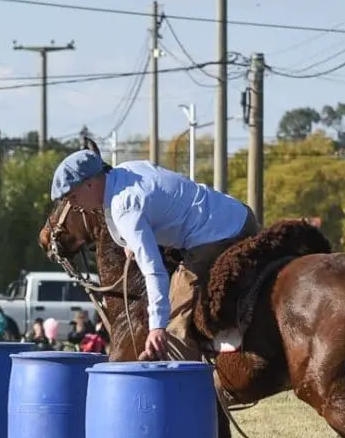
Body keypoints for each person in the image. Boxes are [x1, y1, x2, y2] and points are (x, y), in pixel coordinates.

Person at [49, 148, 259, 361]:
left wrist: (157, 327)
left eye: (73, 197)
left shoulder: (124, 208)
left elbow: (153, 270)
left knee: (175, 316)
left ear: (90, 184)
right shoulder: (127, 170)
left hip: (218, 236)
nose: (73, 204)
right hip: (240, 214)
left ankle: (183, 377)